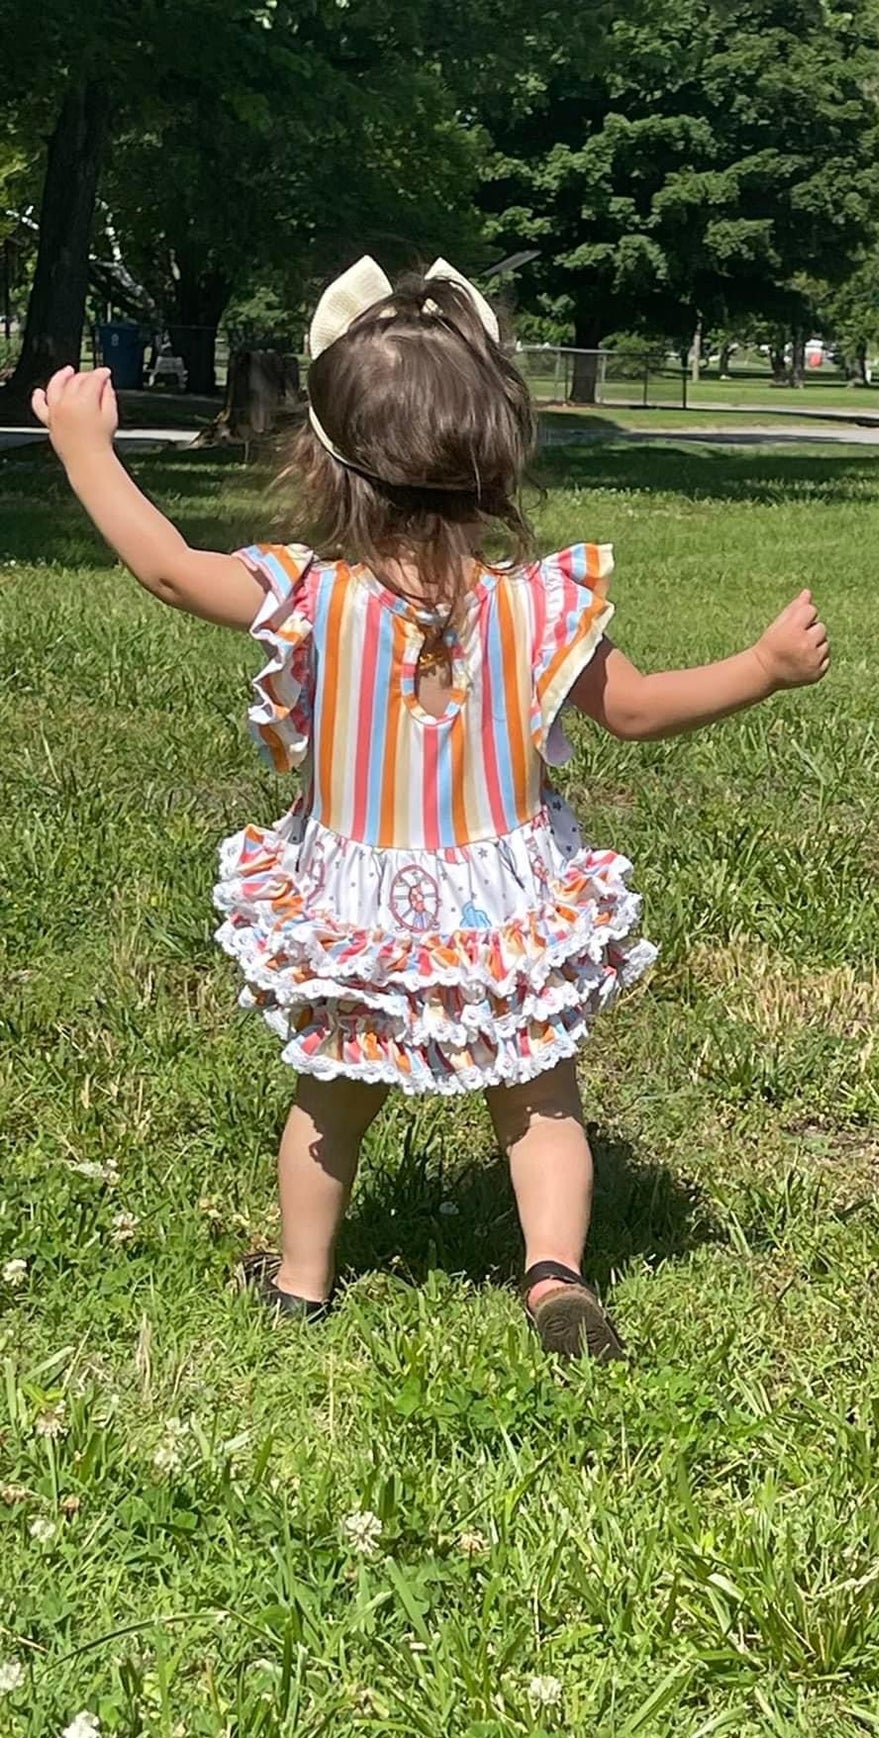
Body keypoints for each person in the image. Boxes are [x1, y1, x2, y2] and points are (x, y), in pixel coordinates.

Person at [32, 256, 829, 1354]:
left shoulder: (310, 598)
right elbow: (636, 710)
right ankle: (555, 1278)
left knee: (331, 1096)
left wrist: (86, 448)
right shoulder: (534, 609)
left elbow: (170, 570)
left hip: (358, 902)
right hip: (503, 901)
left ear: (327, 458)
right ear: (495, 456)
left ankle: (302, 1281)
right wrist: (763, 664)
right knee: (541, 1099)